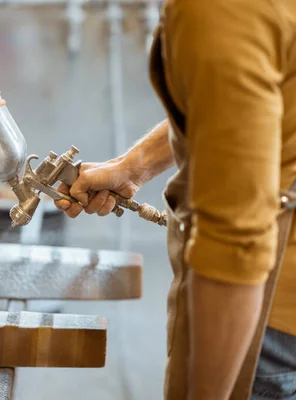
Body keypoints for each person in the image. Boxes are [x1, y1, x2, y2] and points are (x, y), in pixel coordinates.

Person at [54, 2, 296, 400]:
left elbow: (236, 242)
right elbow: (247, 98)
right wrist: (133, 167)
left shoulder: (215, 10)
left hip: (268, 321)